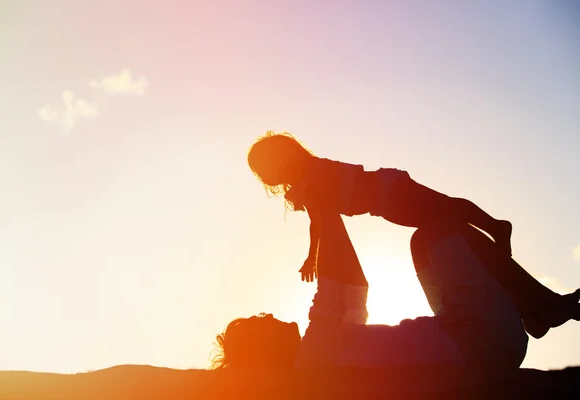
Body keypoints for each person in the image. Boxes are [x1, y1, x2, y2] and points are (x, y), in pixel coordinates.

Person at [211, 210, 580, 370]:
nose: (272, 316)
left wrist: (324, 213)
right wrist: (322, 203)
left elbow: (354, 284)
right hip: (481, 339)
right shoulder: (313, 355)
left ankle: (536, 309)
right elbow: (339, 277)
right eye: (264, 322)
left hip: (476, 339)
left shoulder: (327, 350)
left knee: (423, 245)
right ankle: (540, 308)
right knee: (437, 228)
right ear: (265, 347)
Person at [247, 131, 514, 280]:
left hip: (388, 189)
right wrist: (311, 257)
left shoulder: (310, 176)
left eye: (264, 166)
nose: (266, 174)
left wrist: (311, 257)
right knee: (443, 222)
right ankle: (509, 284)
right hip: (384, 205)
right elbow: (319, 221)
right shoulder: (304, 186)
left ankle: (496, 227)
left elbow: (318, 222)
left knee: (445, 209)